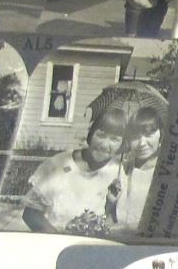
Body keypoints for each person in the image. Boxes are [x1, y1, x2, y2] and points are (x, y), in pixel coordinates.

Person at [22, 93, 132, 234]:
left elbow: (111, 222)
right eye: (101, 135)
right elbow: (30, 214)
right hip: (54, 238)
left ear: (122, 143)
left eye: (115, 139)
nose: (105, 145)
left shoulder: (116, 172)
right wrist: (60, 238)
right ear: (90, 134)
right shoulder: (59, 164)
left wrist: (111, 204)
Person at [105, 83, 167, 233]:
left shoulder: (166, 175)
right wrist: (110, 204)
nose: (141, 143)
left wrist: (126, 229)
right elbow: (110, 222)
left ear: (161, 136)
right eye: (135, 136)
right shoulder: (123, 171)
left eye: (149, 134)